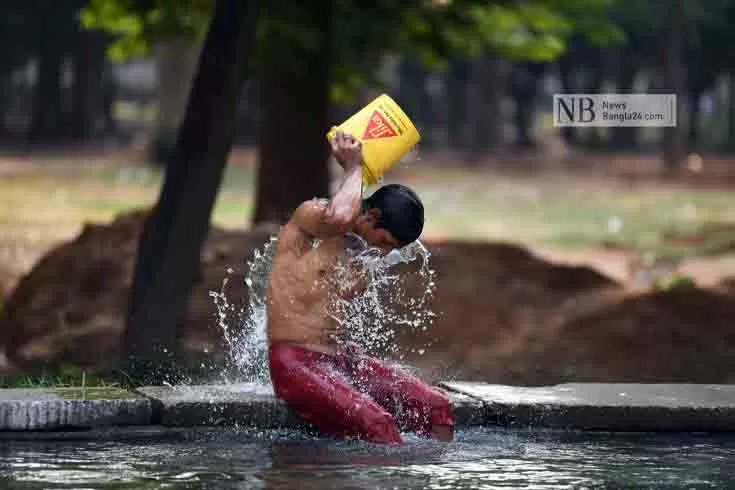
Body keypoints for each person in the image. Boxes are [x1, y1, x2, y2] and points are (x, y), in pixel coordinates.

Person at [267, 130, 454, 444]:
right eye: (385, 242)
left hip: (338, 361)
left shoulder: (361, 252)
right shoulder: (311, 216)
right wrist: (354, 167)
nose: (382, 252)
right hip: (294, 361)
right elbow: (339, 216)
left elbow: (338, 298)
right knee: (378, 425)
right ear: (372, 216)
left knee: (437, 408)